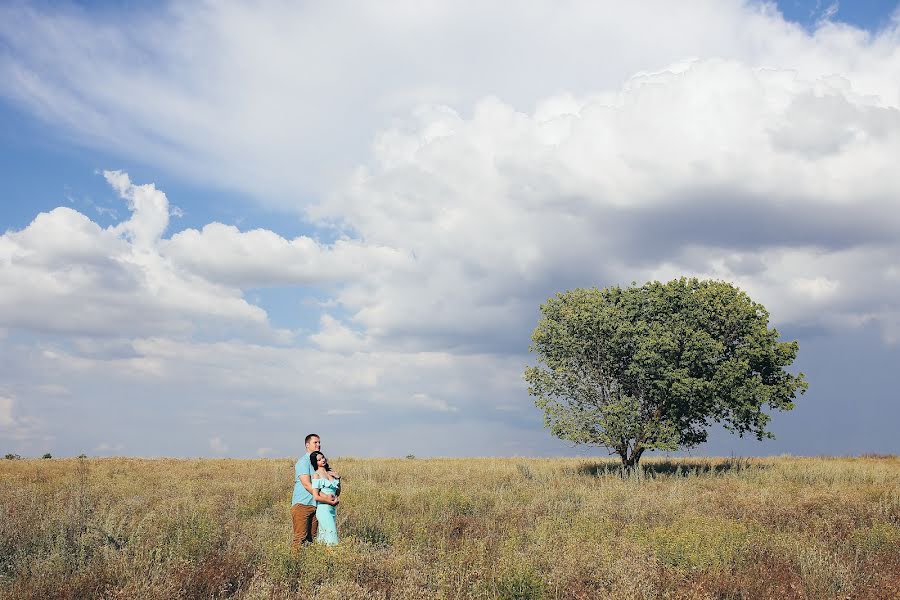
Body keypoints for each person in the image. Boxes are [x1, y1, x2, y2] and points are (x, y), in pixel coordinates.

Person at [291, 433, 332, 550]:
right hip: (302, 504)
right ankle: (294, 565)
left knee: (312, 538)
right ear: (307, 445)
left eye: (319, 442)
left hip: (316, 505)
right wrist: (325, 498)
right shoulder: (303, 462)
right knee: (300, 538)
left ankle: (308, 565)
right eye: (315, 442)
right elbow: (307, 484)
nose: (318, 445)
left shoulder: (318, 463)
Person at [309, 450, 341, 545]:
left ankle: (323, 556)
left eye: (322, 457)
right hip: (323, 509)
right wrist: (330, 502)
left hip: (332, 508)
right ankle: (333, 555)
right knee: (331, 534)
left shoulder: (330, 473)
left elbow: (338, 492)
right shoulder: (316, 475)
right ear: (316, 463)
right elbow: (316, 496)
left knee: (324, 535)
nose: (322, 460)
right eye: (319, 460)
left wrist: (338, 478)